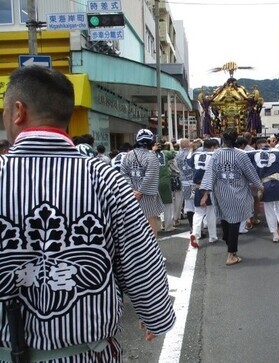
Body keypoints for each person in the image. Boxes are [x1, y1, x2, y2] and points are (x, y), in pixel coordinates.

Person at [0, 66, 175, 362]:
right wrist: (156, 315)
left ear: (18, 111)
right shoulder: (103, 178)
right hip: (88, 354)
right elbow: (140, 258)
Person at [200, 128, 263, 266]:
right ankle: (231, 253)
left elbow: (210, 174)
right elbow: (250, 172)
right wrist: (259, 185)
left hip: (220, 192)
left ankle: (229, 244)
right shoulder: (241, 155)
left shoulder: (216, 154)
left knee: (225, 217)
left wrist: (205, 194)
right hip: (237, 191)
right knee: (234, 220)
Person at [121, 129, 164, 235]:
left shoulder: (128, 155)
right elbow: (150, 176)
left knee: (133, 221)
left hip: (131, 194)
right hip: (146, 194)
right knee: (150, 218)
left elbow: (123, 173)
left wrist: (132, 189)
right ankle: (152, 246)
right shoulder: (151, 156)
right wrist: (140, 192)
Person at [247, 138, 279, 244]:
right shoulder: (277, 152)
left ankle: (274, 234)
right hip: (277, 181)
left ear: (257, 146)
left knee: (269, 210)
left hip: (264, 183)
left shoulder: (253, 154)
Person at [187, 138, 219, 247]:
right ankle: (213, 236)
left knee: (198, 212)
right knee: (211, 212)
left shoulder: (196, 155)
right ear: (214, 146)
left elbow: (189, 162)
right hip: (210, 187)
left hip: (197, 186)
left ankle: (195, 234)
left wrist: (191, 150)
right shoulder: (215, 156)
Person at [153, 140, 177, 232]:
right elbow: (173, 153)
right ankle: (168, 226)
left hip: (152, 182)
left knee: (152, 205)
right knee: (167, 204)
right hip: (164, 181)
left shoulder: (148, 154)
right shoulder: (165, 153)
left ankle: (154, 226)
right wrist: (171, 144)